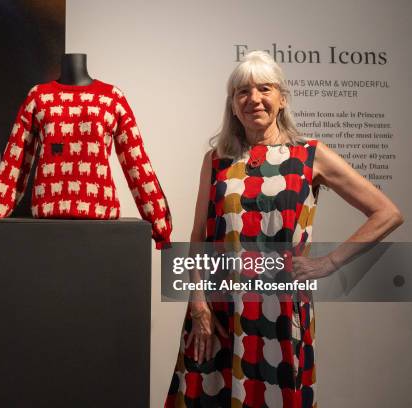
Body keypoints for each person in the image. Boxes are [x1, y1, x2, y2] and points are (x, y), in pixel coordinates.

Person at [165, 50, 403, 407]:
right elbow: (200, 233)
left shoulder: (310, 155)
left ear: (282, 98)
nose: (254, 99)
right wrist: (198, 300)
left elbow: (387, 212)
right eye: (242, 91)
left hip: (280, 308)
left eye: (264, 88)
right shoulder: (217, 159)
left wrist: (330, 262)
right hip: (219, 309)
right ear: (232, 104)